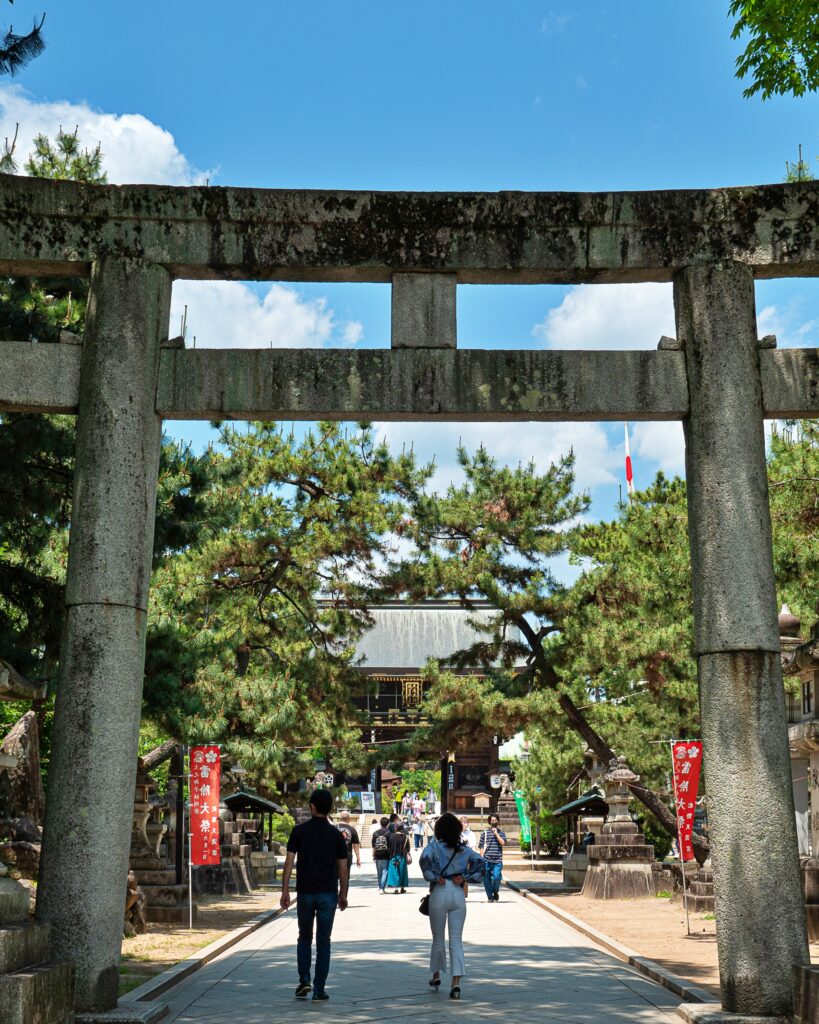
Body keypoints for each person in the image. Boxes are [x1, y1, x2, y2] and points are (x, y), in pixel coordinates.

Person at [280, 789, 348, 1001]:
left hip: (305, 892)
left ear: (312, 807)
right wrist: (343, 893)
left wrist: (285, 891)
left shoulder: (299, 831)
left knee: (304, 937)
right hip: (328, 892)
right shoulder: (336, 835)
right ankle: (319, 989)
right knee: (324, 941)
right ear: (329, 809)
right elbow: (343, 869)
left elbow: (289, 862)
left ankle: (304, 980)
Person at [420, 811, 485, 1000]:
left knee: (438, 938)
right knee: (456, 940)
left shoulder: (433, 847)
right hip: (457, 892)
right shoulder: (464, 850)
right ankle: (456, 983)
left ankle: (436, 975)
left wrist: (433, 876)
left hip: (439, 892)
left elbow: (424, 861)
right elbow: (481, 864)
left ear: (439, 829)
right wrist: (465, 877)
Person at [478, 813, 507, 902]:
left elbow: (503, 843)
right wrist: (482, 858)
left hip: (497, 860)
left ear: (498, 821)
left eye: (495, 820)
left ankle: (495, 891)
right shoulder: (484, 833)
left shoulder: (501, 833)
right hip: (486, 859)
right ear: (489, 822)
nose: (494, 822)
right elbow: (481, 847)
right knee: (486, 879)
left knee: (497, 877)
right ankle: (490, 896)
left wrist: (496, 834)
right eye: (492, 820)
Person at [386, 820, 410, 893]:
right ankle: (402, 888)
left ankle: (396, 888)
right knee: (402, 872)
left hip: (393, 856)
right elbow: (408, 848)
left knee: (395, 872)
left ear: (395, 828)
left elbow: (388, 847)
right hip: (402, 857)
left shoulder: (391, 836)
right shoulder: (405, 837)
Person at [371, 815, 391, 893]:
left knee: (379, 872)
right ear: (387, 824)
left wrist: (373, 855)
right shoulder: (389, 833)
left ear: (380, 824)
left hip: (377, 855)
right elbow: (390, 845)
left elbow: (373, 846)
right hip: (386, 855)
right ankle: (382, 888)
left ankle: (380, 887)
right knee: (385, 871)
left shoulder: (375, 833)